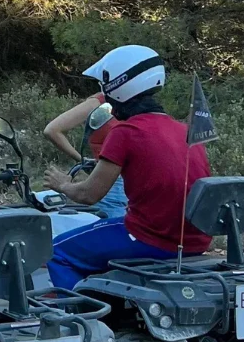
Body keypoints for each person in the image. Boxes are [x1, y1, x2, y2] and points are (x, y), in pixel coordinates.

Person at [44, 45, 211, 289]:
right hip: (194, 242)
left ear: (117, 90)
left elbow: (89, 195)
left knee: (56, 252)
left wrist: (63, 185)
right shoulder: (184, 130)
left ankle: (80, 312)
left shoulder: (126, 131)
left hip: (150, 238)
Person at [43, 93, 127, 215]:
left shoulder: (135, 102)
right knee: (114, 222)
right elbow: (52, 130)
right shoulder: (99, 102)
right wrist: (82, 160)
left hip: (136, 180)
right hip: (112, 180)